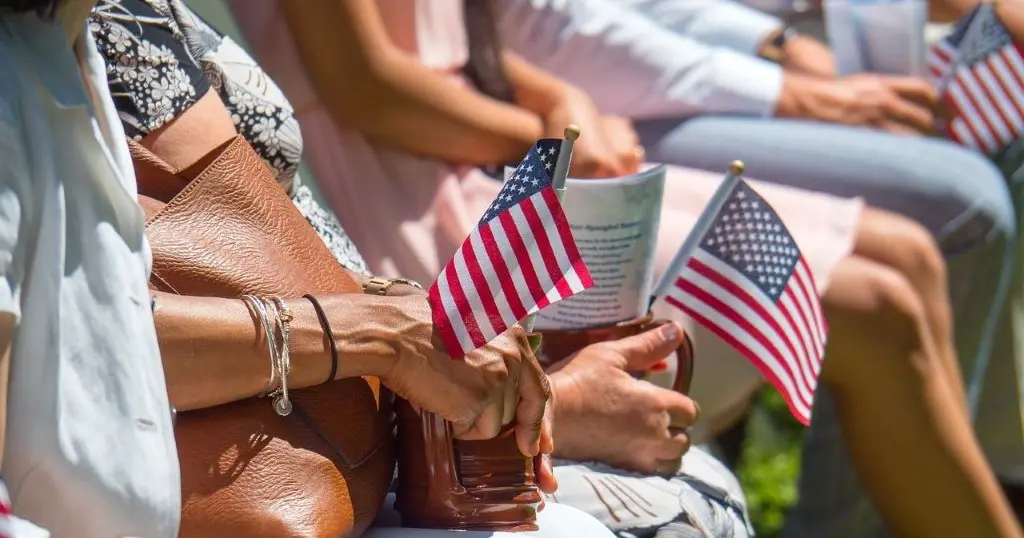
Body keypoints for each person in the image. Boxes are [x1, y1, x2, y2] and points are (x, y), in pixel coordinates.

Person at [226, 0, 1022, 536]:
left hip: (491, 154)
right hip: (424, 201)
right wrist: (541, 137)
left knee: (906, 260)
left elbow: (475, 43)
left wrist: (558, 103)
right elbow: (368, 89)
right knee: (874, 308)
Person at [0, 1, 619, 536]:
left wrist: (417, 327)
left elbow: (97, 298)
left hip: (362, 445)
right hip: (265, 472)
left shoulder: (60, 47)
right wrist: (386, 335)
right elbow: (72, 340)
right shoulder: (33, 65)